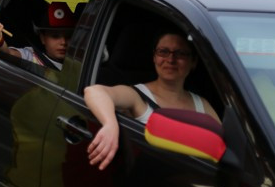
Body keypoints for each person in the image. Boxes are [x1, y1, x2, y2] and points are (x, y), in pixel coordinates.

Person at [83, 31, 219, 169]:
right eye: (163, 51)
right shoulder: (138, 95)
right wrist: (110, 124)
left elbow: (227, 147)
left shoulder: (202, 103)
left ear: (193, 62)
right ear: (154, 57)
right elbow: (94, 91)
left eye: (180, 53)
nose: (171, 59)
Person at [0, 2, 75, 71]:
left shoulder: (81, 63)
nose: (63, 42)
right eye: (55, 36)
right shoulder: (32, 57)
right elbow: (7, 53)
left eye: (68, 36)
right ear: (42, 38)